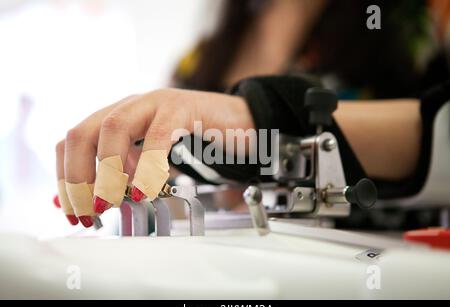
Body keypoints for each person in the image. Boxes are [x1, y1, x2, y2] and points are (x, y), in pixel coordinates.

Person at [55, 0, 450, 227]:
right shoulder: (205, 54)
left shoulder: (408, 34)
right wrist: (145, 186)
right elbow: (186, 196)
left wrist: (263, 114)